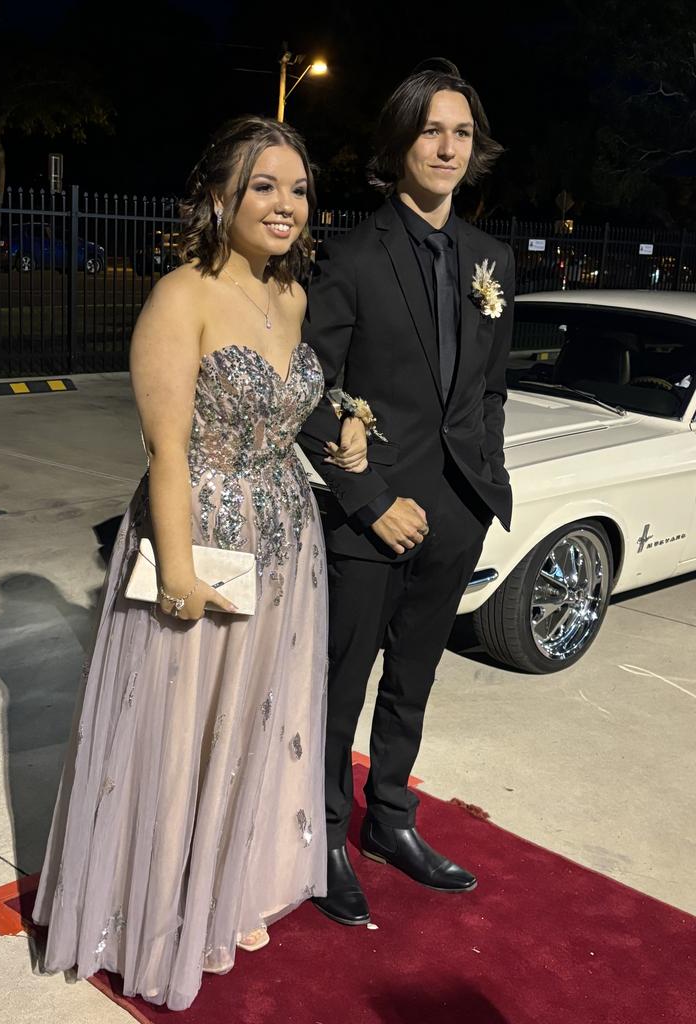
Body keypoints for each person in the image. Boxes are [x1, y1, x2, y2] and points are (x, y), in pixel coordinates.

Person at [32, 115, 367, 1010]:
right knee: (182, 725)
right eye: (265, 186)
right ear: (221, 197)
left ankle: (221, 885)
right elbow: (167, 451)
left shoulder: (290, 297)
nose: (287, 205)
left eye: (298, 189)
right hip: (201, 541)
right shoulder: (181, 295)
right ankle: (157, 904)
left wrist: (343, 439)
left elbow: (293, 413)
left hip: (285, 547)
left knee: (246, 724)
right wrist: (176, 571)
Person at [297, 59, 515, 926]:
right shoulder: (352, 257)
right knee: (339, 687)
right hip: (368, 517)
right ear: (399, 142)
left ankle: (391, 822)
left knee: (413, 682)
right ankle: (321, 838)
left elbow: (490, 391)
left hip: (455, 516)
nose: (448, 146)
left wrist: (484, 481)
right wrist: (371, 495)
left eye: (462, 132)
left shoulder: (490, 260)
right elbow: (304, 389)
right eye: (432, 129)